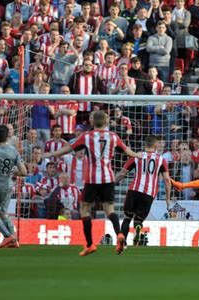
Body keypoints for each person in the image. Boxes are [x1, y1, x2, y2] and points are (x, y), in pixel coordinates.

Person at [44, 110, 140, 257]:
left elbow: (68, 149)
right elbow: (128, 152)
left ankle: (90, 244)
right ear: (106, 122)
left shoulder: (87, 136)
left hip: (92, 179)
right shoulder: (113, 136)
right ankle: (119, 234)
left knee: (85, 210)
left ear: (92, 122)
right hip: (108, 178)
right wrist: (139, 155)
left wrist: (51, 154)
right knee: (110, 210)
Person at [116, 135, 171, 248]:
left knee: (127, 217)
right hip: (149, 194)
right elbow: (167, 179)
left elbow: (122, 173)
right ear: (156, 145)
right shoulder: (161, 159)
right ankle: (138, 228)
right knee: (138, 219)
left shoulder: (137, 156)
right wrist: (168, 198)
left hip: (134, 190)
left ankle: (123, 242)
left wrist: (113, 183)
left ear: (145, 145)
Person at [0, 125, 27, 250]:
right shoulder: (13, 151)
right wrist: (13, 173)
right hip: (5, 188)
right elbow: (24, 172)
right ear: (7, 137)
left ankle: (8, 235)